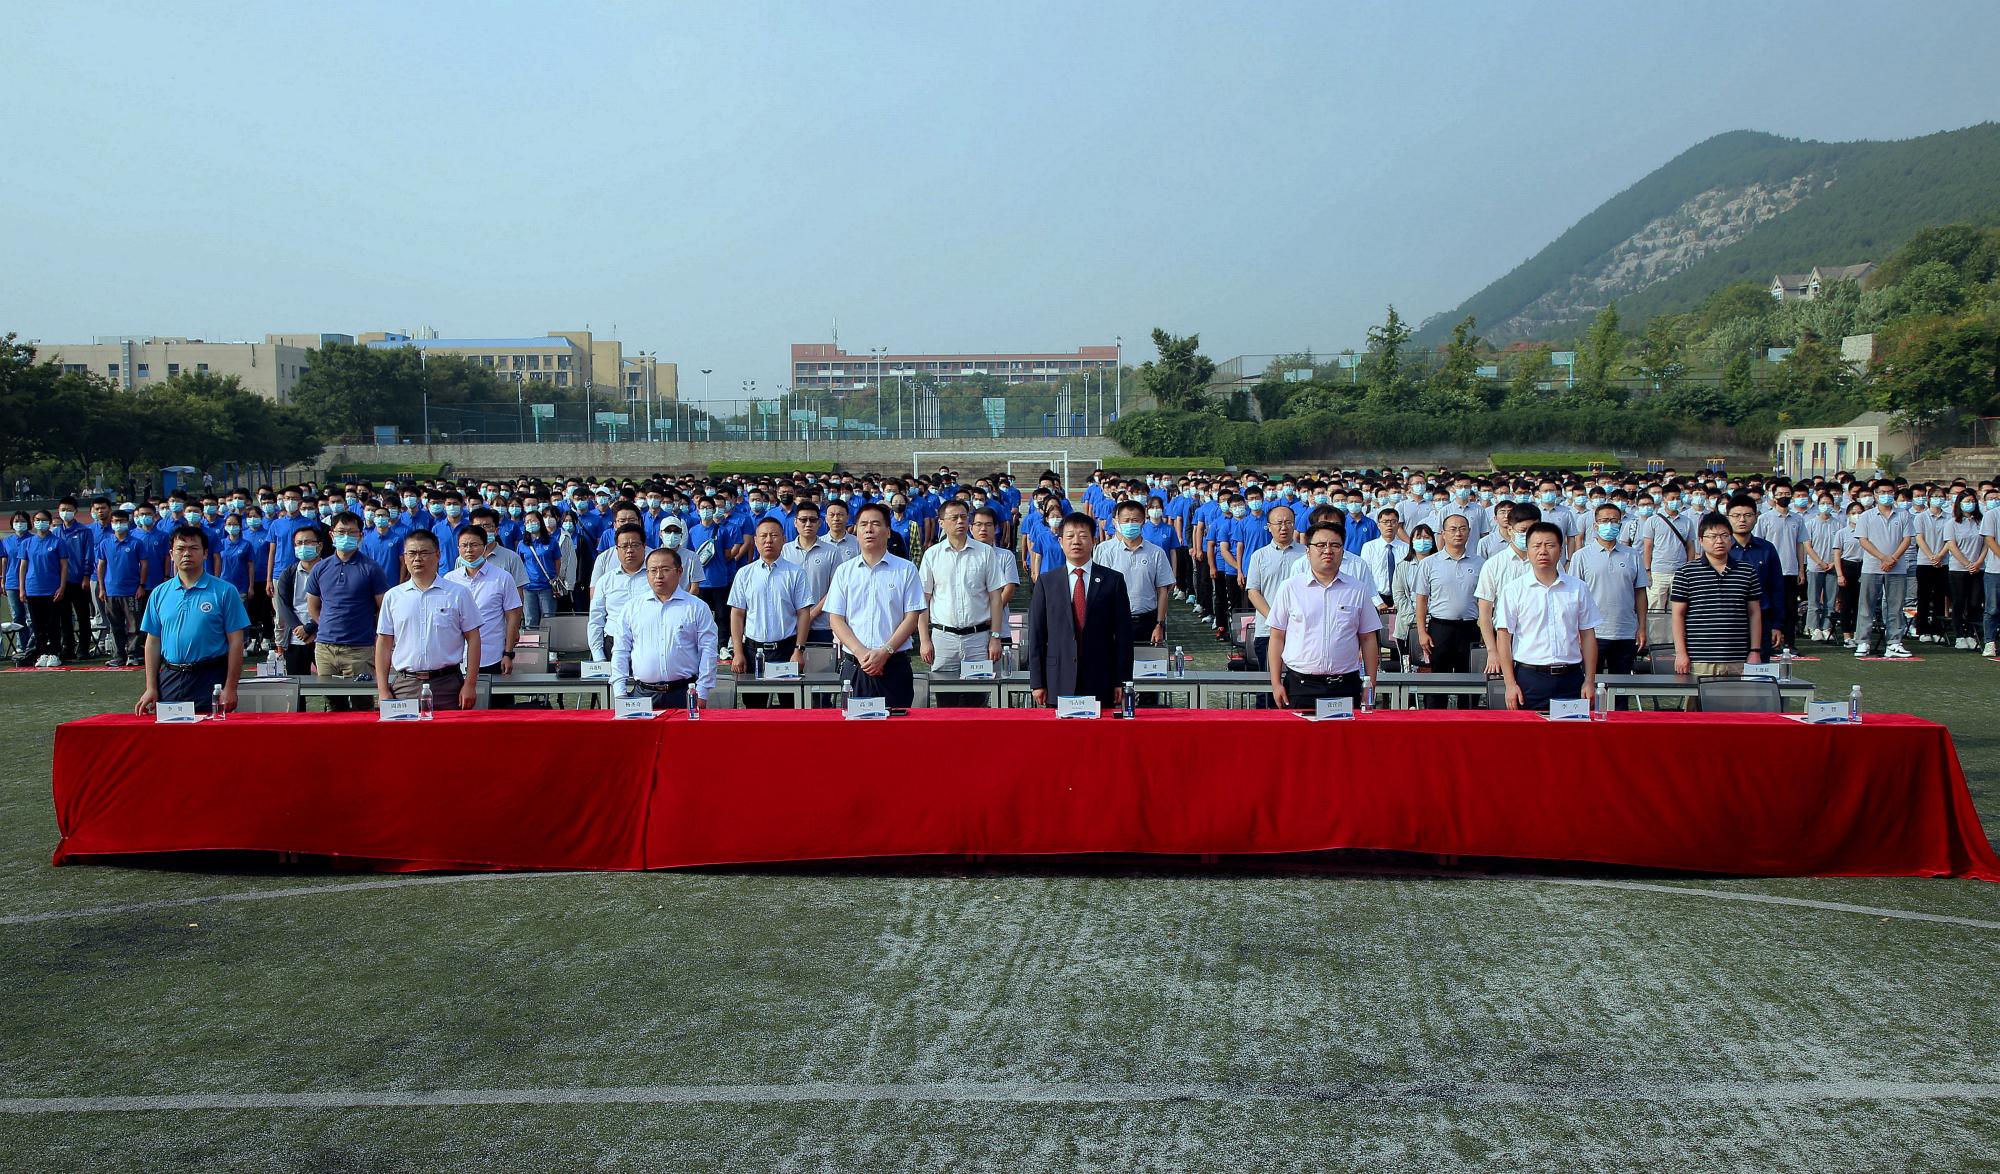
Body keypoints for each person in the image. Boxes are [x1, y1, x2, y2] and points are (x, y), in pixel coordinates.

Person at [134, 525, 250, 715]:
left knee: (211, 732)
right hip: (171, 678)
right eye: (180, 548)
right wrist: (151, 687)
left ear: (205, 554)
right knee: (170, 731)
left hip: (210, 678)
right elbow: (153, 642)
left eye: (193, 548)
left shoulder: (225, 591)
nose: (186, 553)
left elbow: (236, 642)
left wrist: (230, 687)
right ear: (171, 554)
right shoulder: (159, 593)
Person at [1266, 519, 1380, 708]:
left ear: (1342, 551)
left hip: (1345, 685)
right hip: (1301, 686)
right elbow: (1277, 637)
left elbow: (1368, 639)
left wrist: (1370, 685)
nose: (1328, 550)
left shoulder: (1358, 589)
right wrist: (1276, 683)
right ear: (1308, 551)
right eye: (1320, 545)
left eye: (1335, 545)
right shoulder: (1290, 588)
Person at [1024, 510, 1133, 708]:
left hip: (1102, 677)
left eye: (1083, 536)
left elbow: (1123, 636)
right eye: (1070, 536)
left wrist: (1122, 681)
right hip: (1058, 678)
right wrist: (1037, 682)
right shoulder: (1047, 582)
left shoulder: (1113, 580)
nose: (1076, 541)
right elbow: (1037, 635)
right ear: (1060, 542)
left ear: (1094, 541)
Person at [822, 502, 928, 708]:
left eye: (876, 524)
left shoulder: (906, 570)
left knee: (896, 725)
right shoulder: (844, 571)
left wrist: (885, 652)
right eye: (863, 524)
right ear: (856, 532)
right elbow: (836, 619)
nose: (869, 529)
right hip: (855, 665)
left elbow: (911, 617)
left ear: (888, 532)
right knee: (853, 726)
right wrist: (861, 653)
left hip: (894, 665)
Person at [1493, 522, 1601, 711]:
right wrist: (1510, 684)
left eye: (1550, 545)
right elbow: (1503, 638)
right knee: (1529, 730)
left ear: (1560, 550)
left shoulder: (1578, 588)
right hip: (1529, 679)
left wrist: (1589, 680)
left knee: (1572, 729)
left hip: (1571, 679)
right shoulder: (1513, 590)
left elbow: (1588, 635)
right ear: (1528, 550)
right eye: (1536, 546)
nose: (1543, 551)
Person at [372, 528, 481, 711]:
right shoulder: (393, 596)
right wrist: (383, 689)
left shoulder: (458, 593)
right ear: (404, 557)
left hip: (448, 684)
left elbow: (474, 638)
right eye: (412, 553)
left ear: (437, 555)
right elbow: (383, 643)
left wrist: (470, 684)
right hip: (406, 685)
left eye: (424, 553)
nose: (417, 559)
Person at [611, 547, 719, 711]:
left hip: (683, 692)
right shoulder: (632, 608)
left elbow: (708, 651)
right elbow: (620, 650)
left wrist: (702, 692)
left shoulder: (697, 607)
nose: (659, 576)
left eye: (665, 570)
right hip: (643, 693)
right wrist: (620, 692)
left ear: (679, 571)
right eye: (653, 570)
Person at [305, 512, 390, 710]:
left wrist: (375, 634)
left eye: (352, 532)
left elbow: (384, 608)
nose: (346, 536)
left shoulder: (371, 568)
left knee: (362, 705)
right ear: (331, 535)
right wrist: (327, 626)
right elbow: (312, 606)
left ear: (360, 535)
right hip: (325, 649)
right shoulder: (320, 568)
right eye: (341, 532)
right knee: (333, 706)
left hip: (359, 649)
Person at [918, 499, 1007, 684]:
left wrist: (995, 637)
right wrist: (924, 640)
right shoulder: (932, 555)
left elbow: (996, 598)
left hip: (978, 638)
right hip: (943, 639)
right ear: (941, 523)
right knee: (944, 694)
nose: (960, 521)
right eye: (954, 518)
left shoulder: (985, 552)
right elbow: (923, 601)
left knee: (979, 692)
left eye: (963, 517)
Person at [728, 517, 815, 704]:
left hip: (786, 650)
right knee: (754, 708)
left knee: (789, 706)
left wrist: (799, 650)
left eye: (774, 536)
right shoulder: (744, 574)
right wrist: (738, 652)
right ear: (755, 540)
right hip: (753, 651)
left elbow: (803, 613)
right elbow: (737, 614)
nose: (769, 540)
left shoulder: (795, 573)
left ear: (783, 539)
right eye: (764, 536)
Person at [1670, 512, 1766, 678]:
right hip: (1699, 660)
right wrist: (1681, 653)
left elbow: (1755, 613)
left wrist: (1755, 651)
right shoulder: (1686, 572)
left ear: (1731, 539)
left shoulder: (1747, 571)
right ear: (1701, 540)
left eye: (1724, 536)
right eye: (1713, 536)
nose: (1719, 541)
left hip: (1738, 659)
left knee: (1741, 696)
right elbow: (1678, 615)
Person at [1567, 502, 1648, 698]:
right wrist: (1575, 630)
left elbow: (1640, 593)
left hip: (1625, 631)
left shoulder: (1632, 555)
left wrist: (1642, 627)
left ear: (1620, 524)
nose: (1609, 525)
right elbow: (1573, 596)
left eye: (1614, 521)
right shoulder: (1581, 556)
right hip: (1592, 633)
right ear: (1595, 525)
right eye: (1604, 521)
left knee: (1620, 690)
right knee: (1587, 688)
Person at [443, 525, 524, 698]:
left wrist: (508, 653)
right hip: (457, 660)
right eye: (464, 545)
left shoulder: (502, 577)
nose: (469, 550)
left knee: (496, 709)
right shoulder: (449, 580)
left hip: (493, 657)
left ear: (484, 546)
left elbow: (513, 617)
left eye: (474, 545)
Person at [1090, 500, 1176, 650]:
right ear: (1117, 522)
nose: (1130, 524)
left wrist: (1159, 624)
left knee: (1147, 662)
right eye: (1126, 520)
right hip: (1114, 621)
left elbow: (1162, 591)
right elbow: (1098, 590)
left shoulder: (1156, 553)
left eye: (1135, 520)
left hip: (1147, 621)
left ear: (1143, 521)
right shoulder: (1105, 551)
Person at [1415, 512, 1485, 680]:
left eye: (1462, 529)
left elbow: (1484, 601)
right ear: (1443, 534)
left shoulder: (1480, 563)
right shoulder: (1429, 563)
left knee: (1469, 680)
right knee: (1439, 680)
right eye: (1452, 529)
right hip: (1440, 628)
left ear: (1469, 532)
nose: (1458, 533)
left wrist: (1485, 632)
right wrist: (1422, 632)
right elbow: (1421, 600)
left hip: (1470, 628)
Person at [1850, 483, 1915, 659]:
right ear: (1875, 494)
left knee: (1895, 606)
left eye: (1889, 492)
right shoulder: (1866, 516)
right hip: (1872, 567)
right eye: (1882, 492)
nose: (1886, 495)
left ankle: (1894, 642)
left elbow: (1907, 539)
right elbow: (1863, 540)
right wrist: (1883, 558)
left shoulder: (1903, 514)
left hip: (1897, 568)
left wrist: (1892, 559)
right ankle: (1863, 641)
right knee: (1867, 605)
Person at [1242, 502, 1306, 670]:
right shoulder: (1259, 556)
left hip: (1301, 630)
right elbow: (1253, 592)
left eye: (1288, 522)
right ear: (1269, 527)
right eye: (1279, 523)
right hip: (1267, 630)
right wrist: (1274, 619)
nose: (1283, 527)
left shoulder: (1307, 554)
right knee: (1269, 680)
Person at [587, 523, 653, 662]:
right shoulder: (605, 581)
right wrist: (598, 654)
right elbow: (596, 619)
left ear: (644, 547)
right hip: (614, 644)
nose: (629, 550)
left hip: (650, 643)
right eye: (624, 546)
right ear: (616, 549)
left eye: (635, 545)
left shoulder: (655, 577)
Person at [94, 510, 145, 667]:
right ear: (111, 523)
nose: (119, 524)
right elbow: (101, 566)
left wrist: (141, 585)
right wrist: (102, 588)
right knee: (115, 626)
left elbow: (144, 565)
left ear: (128, 522)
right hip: (111, 591)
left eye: (122, 521)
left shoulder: (136, 543)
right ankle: (118, 655)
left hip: (131, 591)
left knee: (133, 626)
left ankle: (133, 654)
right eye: (116, 521)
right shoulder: (105, 543)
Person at [1391, 522, 1434, 669]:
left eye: (1426, 537)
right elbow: (1399, 596)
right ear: (1412, 541)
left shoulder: (1439, 564)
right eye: (1418, 537)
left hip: (1434, 622)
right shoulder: (1402, 566)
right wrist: (1415, 618)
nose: (1422, 540)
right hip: (1407, 623)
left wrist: (1429, 618)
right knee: (1408, 667)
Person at [1946, 492, 1984, 650]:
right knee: (1959, 602)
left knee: (1975, 602)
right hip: (1958, 568)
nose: (1970, 503)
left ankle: (1970, 633)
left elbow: (1986, 543)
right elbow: (1951, 545)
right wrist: (1967, 563)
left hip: (1979, 567)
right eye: (1967, 501)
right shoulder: (1952, 523)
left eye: (1972, 501)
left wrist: (1978, 562)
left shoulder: (1980, 521)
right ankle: (1959, 635)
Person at [517, 510, 564, 629]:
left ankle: (549, 641)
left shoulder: (552, 541)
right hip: (529, 588)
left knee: (548, 620)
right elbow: (520, 564)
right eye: (527, 522)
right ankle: (532, 641)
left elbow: (557, 561)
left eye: (532, 520)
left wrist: (555, 578)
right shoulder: (522, 544)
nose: (530, 524)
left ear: (540, 522)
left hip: (547, 587)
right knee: (530, 620)